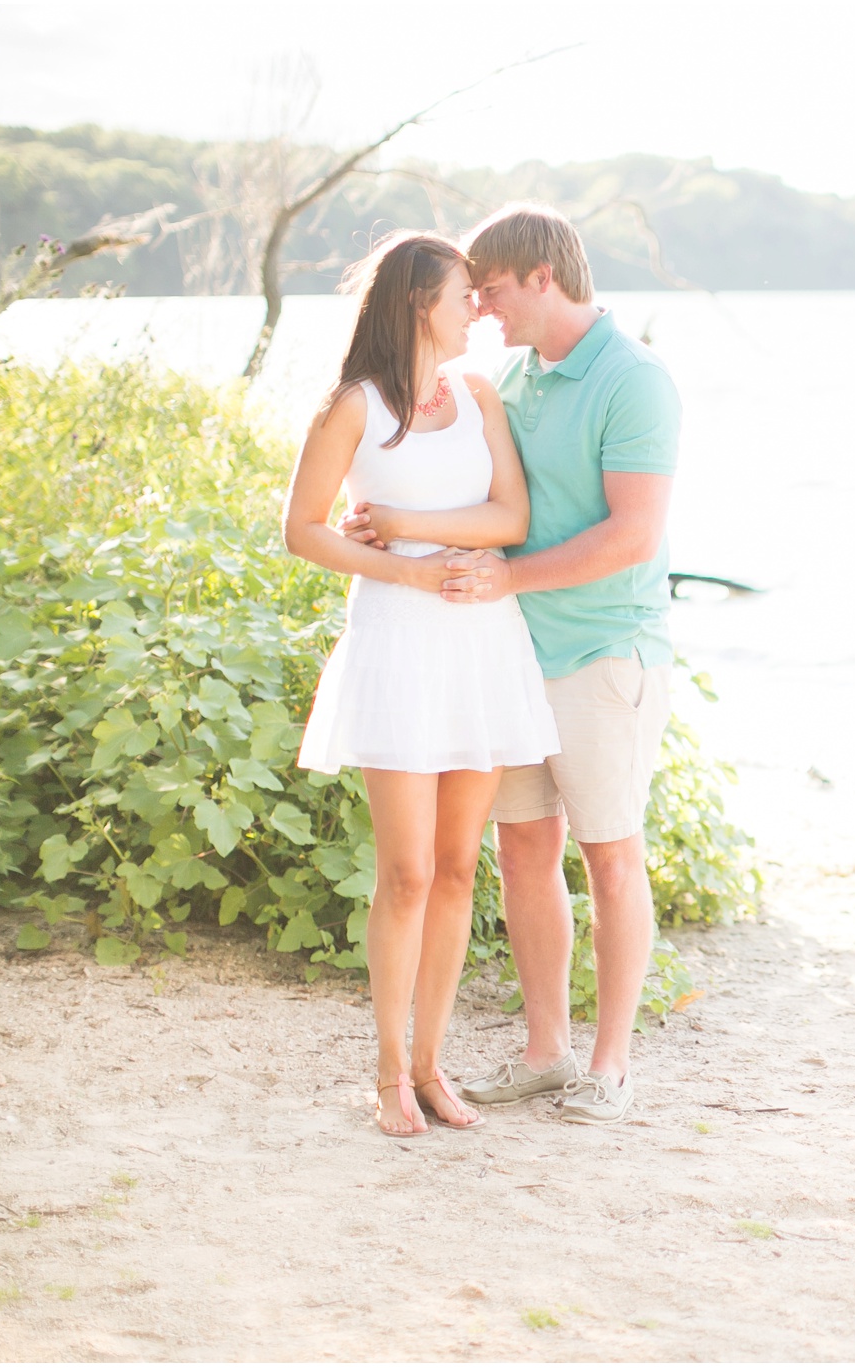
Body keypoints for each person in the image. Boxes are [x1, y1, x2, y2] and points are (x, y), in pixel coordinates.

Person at [285, 231, 559, 1137]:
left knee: (454, 869)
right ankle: (389, 1072)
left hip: (482, 648)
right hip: (400, 644)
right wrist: (407, 567)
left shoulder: (480, 396)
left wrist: (406, 521)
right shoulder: (355, 406)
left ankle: (436, 1067)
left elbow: (509, 516)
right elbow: (304, 528)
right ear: (416, 304)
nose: (476, 309)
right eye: (461, 296)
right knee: (404, 872)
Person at [435, 203, 681, 1126]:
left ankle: (610, 1067)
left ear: (542, 277)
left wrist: (508, 576)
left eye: (491, 291)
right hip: (514, 655)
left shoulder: (636, 379)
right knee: (523, 850)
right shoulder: (512, 377)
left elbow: (632, 535)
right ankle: (547, 1053)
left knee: (611, 857)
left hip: (603, 655)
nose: (484, 309)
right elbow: (481, 496)